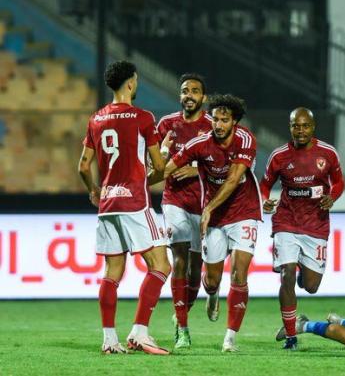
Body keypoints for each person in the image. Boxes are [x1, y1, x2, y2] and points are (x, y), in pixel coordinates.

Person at [77, 60, 172, 355]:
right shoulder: (144, 118)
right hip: (134, 202)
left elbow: (82, 166)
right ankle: (140, 332)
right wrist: (167, 157)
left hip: (108, 204)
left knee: (113, 271)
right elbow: (158, 167)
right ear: (130, 82)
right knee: (161, 265)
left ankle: (109, 340)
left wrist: (94, 190)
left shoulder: (96, 119)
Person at [163, 94, 261, 352]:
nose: (217, 124)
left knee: (240, 273)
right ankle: (213, 295)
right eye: (215, 119)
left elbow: (232, 179)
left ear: (235, 122)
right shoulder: (200, 144)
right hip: (216, 219)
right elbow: (167, 168)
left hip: (244, 211)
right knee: (212, 281)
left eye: (224, 120)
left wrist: (207, 208)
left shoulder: (246, 140)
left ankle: (230, 338)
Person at [260, 107, 345, 350]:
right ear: (290, 128)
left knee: (311, 286)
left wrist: (332, 197)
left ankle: (302, 278)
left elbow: (338, 182)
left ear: (313, 127)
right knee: (286, 275)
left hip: (316, 224)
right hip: (286, 221)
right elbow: (264, 184)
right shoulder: (279, 156)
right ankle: (290, 337)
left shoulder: (327, 153)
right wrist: (264, 199)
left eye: (305, 125)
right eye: (295, 126)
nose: (300, 130)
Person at [152, 73, 212, 349]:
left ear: (204, 97)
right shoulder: (166, 125)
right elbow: (152, 161)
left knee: (197, 269)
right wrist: (162, 158)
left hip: (204, 205)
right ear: (180, 96)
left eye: (195, 91)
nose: (189, 95)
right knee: (180, 258)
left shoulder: (213, 126)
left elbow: (226, 162)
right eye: (185, 90)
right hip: (173, 200)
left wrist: (198, 168)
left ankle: (183, 315)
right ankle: (183, 329)